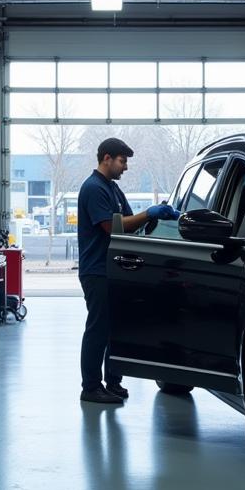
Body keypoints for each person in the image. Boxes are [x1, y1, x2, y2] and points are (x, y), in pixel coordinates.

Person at [76, 138, 178, 404]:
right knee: (98, 328)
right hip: (96, 269)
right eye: (122, 161)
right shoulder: (93, 188)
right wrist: (149, 212)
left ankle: (113, 381)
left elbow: (131, 224)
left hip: (113, 268)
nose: (126, 167)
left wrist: (155, 217)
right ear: (106, 158)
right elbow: (113, 227)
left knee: (114, 327)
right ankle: (90, 387)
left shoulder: (112, 189)